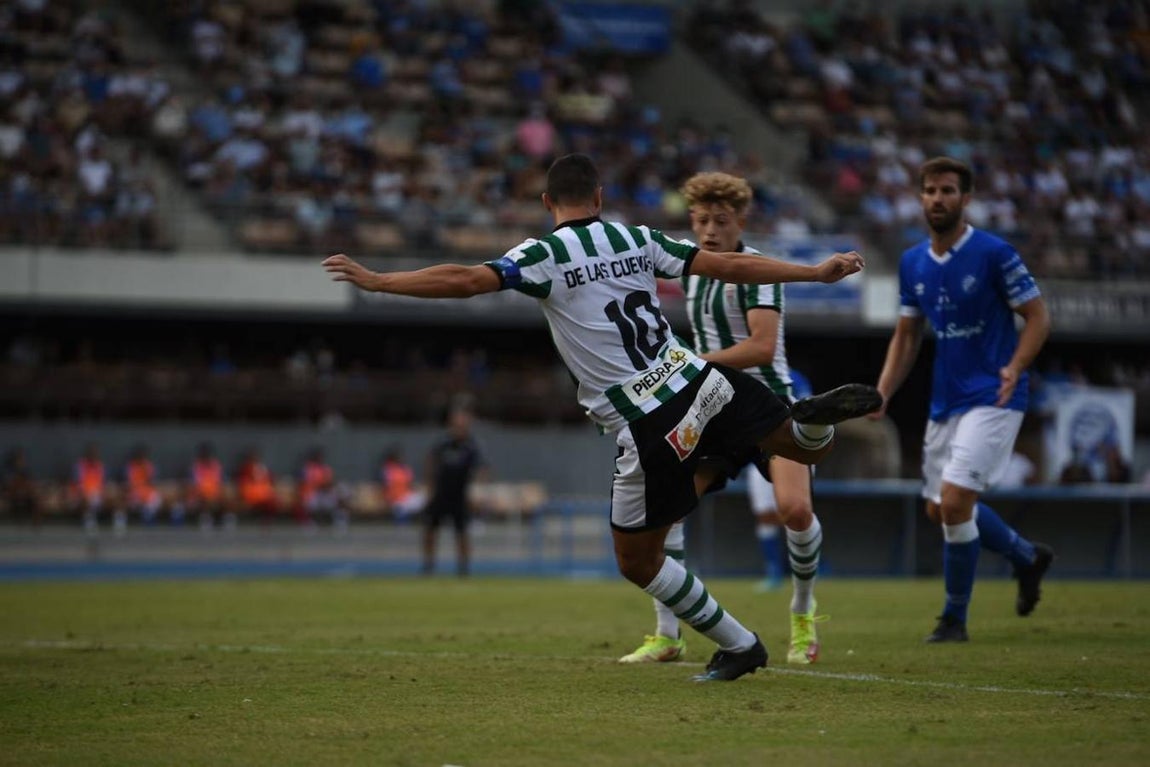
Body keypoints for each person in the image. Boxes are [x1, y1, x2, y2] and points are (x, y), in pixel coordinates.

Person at [323, 153, 880, 681]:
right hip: (698, 379)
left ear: (548, 202)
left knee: (637, 559)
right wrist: (813, 272)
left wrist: (381, 281)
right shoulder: (636, 238)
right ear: (599, 196)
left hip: (644, 417)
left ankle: (739, 644)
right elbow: (729, 264)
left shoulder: (542, 254)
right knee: (799, 447)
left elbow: (467, 280)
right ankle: (811, 421)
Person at [619, 172, 831, 668]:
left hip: (769, 406)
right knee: (664, 511)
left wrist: (694, 363)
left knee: (795, 511)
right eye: (700, 221)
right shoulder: (690, 269)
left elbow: (761, 345)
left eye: (720, 221)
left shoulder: (758, 269)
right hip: (711, 406)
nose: (709, 230)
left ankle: (803, 613)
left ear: (741, 221)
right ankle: (667, 635)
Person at [870, 156, 1055, 643]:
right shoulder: (912, 262)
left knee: (954, 504)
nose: (938, 199)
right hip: (945, 400)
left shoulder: (995, 253)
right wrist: (883, 392)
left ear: (965, 199)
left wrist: (1015, 366)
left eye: (948, 190)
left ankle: (953, 619)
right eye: (930, 190)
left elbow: (1037, 317)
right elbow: (907, 336)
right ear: (920, 197)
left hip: (994, 395)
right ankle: (1025, 556)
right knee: (940, 510)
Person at [421, 407, 487, 577]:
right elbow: (430, 464)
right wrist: (429, 489)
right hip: (441, 494)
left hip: (460, 496)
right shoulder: (442, 444)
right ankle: (428, 566)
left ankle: (463, 568)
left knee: (462, 533)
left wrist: (477, 492)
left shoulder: (471, 446)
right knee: (430, 529)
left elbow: (481, 470)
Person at [298, 446, 349, 533]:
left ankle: (340, 521)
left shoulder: (325, 468)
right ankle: (310, 522)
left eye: (320, 457)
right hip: (313, 495)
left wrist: (328, 485)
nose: (319, 459)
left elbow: (330, 482)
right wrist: (321, 485)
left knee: (342, 491)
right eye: (317, 457)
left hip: (326, 494)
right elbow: (306, 483)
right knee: (309, 501)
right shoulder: (308, 468)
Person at [186, 442, 232, 531]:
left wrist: (220, 493)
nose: (207, 457)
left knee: (227, 497)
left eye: (209, 455)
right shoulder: (196, 467)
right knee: (206, 499)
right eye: (205, 455)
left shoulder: (217, 466)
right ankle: (206, 519)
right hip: (199, 496)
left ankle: (226, 519)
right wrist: (202, 494)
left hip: (215, 495)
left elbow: (222, 483)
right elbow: (193, 485)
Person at [73, 443, 109, 535]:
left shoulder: (100, 466)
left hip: (97, 493)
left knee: (113, 499)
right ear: (87, 454)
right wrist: (84, 493)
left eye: (95, 453)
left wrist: (103, 493)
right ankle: (89, 522)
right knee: (86, 499)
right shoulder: (80, 465)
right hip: (83, 493)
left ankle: (119, 528)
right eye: (91, 453)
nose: (93, 456)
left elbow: (103, 483)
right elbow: (77, 482)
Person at [381, 446, 424, 522]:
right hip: (394, 499)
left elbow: (410, 484)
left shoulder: (404, 469)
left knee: (421, 498)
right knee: (400, 509)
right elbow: (386, 486)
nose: (400, 458)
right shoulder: (387, 469)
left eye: (401, 457)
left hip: (406, 497)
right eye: (398, 457)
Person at [124, 445, 163, 526]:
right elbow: (128, 482)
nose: (141, 458)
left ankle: (148, 518)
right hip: (134, 491)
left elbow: (152, 481)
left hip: (147, 491)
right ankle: (135, 519)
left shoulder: (148, 466)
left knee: (155, 498)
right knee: (133, 499)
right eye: (139, 455)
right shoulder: (130, 466)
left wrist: (145, 469)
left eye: (143, 456)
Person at [2, 448, 40, 526]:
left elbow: (30, 485)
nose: (22, 461)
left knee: (35, 501)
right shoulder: (9, 471)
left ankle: (36, 524)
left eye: (22, 459)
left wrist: (27, 490)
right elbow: (8, 486)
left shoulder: (26, 471)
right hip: (12, 496)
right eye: (20, 459)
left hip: (24, 496)